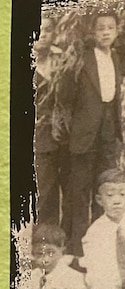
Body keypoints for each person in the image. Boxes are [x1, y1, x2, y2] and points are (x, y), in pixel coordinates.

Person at [55, 10, 125, 256]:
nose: (106, 32)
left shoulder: (117, 58)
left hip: (108, 133)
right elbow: (64, 95)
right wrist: (68, 67)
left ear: (117, 31)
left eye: (110, 28)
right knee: (79, 193)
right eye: (100, 28)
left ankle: (100, 248)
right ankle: (75, 251)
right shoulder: (83, 57)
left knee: (104, 191)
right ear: (92, 32)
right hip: (83, 135)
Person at [34, 14, 66, 226]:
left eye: (47, 31)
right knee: (43, 190)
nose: (43, 36)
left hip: (62, 133)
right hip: (38, 136)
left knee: (63, 189)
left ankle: (55, 238)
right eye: (38, 31)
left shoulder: (61, 58)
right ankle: (40, 235)